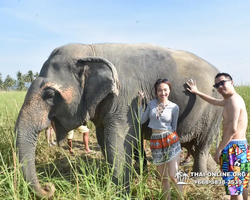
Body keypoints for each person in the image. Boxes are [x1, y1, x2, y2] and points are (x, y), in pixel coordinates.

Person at [186, 73, 249, 200]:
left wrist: (219, 150)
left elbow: (232, 129)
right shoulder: (229, 100)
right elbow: (214, 101)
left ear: (231, 82)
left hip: (233, 148)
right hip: (240, 147)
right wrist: (197, 92)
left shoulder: (233, 101)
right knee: (242, 185)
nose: (220, 87)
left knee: (234, 190)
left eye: (222, 83)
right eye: (217, 85)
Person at [138, 78, 183, 200]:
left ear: (169, 90)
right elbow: (141, 120)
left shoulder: (174, 107)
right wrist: (140, 103)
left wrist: (178, 148)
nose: (163, 93)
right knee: (163, 177)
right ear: (156, 92)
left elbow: (174, 127)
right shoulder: (152, 104)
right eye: (159, 90)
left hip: (170, 140)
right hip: (156, 141)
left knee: (173, 176)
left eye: (165, 90)